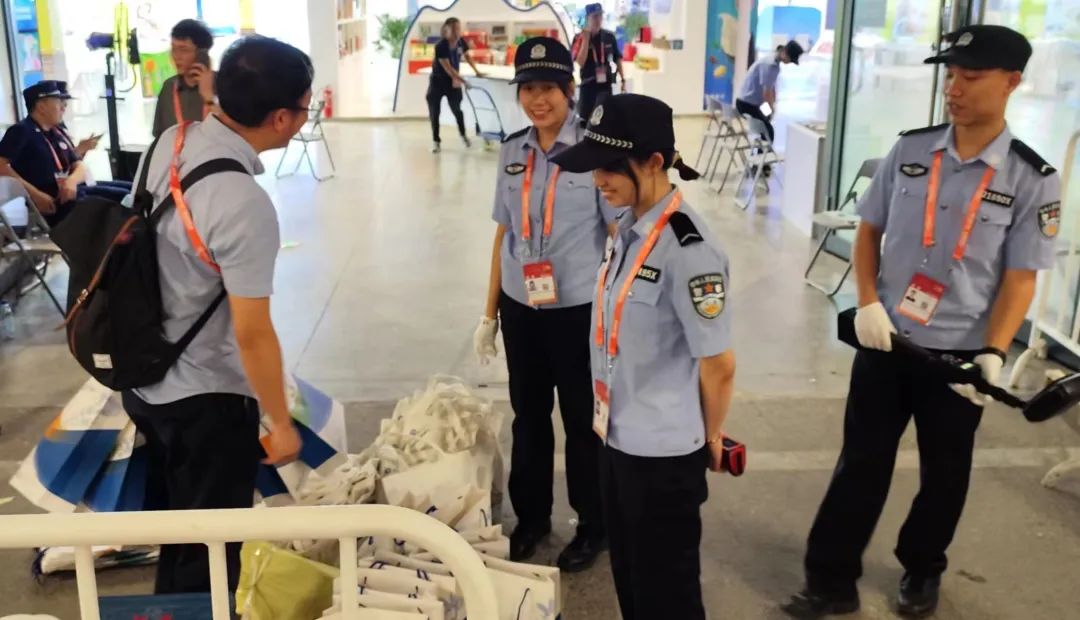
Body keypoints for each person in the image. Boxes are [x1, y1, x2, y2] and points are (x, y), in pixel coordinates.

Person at [781, 25, 1059, 619]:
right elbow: (868, 232)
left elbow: (1020, 278)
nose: (954, 88)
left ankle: (922, 568)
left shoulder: (1031, 178)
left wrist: (994, 352)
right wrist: (867, 303)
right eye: (950, 75)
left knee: (945, 473)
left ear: (1012, 82)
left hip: (960, 357)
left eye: (971, 77)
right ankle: (830, 580)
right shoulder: (910, 151)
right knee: (861, 463)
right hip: (887, 340)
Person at [122, 35, 310, 594]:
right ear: (281, 118)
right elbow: (253, 334)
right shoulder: (243, 203)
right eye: (305, 108)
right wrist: (280, 424)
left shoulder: (171, 141)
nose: (305, 118)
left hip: (145, 377)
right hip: (205, 401)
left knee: (178, 533)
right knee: (210, 555)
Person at [551, 93, 737, 619]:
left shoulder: (690, 251)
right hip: (616, 439)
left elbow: (719, 364)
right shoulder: (628, 230)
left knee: (668, 596)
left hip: (663, 456)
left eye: (611, 167)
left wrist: (711, 438)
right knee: (632, 581)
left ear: (654, 162)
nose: (598, 180)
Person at [473, 37, 613, 572]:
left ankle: (593, 525)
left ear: (569, 89)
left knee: (581, 421)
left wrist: (617, 317)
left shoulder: (596, 149)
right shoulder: (513, 150)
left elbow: (617, 236)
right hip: (521, 308)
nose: (537, 99)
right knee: (528, 418)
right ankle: (531, 520)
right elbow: (502, 235)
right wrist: (489, 314)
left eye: (548, 88)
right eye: (528, 88)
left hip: (578, 310)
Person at [0, 80, 130, 226]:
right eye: (58, 102)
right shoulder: (21, 131)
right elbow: (1, 165)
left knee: (134, 190)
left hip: (74, 189)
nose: (63, 107)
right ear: (41, 107)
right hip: (54, 200)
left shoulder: (56, 131)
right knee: (128, 199)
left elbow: (79, 165)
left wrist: (71, 181)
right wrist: (34, 194)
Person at [152, 19, 216, 139]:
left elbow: (232, 134)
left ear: (202, 54)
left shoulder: (222, 86)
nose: (176, 56)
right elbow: (159, 135)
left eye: (183, 50)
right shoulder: (169, 87)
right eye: (173, 49)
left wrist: (209, 98)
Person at [427, 17, 482, 153]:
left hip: (453, 83)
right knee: (435, 113)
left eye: (458, 28)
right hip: (437, 83)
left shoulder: (461, 42)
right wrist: (464, 81)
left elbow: (467, 56)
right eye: (453, 29)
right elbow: (449, 69)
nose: (456, 31)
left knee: (457, 110)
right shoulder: (440, 46)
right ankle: (436, 141)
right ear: (446, 30)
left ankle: (463, 136)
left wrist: (477, 71)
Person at [735, 40, 803, 144]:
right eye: (791, 59)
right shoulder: (771, 65)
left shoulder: (771, 61)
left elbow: (771, 88)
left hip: (747, 102)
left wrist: (770, 109)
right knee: (768, 133)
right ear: (785, 53)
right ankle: (760, 153)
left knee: (765, 127)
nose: (790, 63)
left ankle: (758, 152)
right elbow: (766, 94)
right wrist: (769, 111)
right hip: (747, 105)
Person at [571, 3, 625, 127]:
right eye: (595, 16)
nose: (598, 20)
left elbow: (617, 59)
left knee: (606, 120)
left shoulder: (608, 37)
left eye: (600, 16)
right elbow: (580, 62)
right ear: (587, 18)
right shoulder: (579, 38)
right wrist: (586, 40)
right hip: (588, 86)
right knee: (586, 122)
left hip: (605, 86)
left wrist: (623, 80)